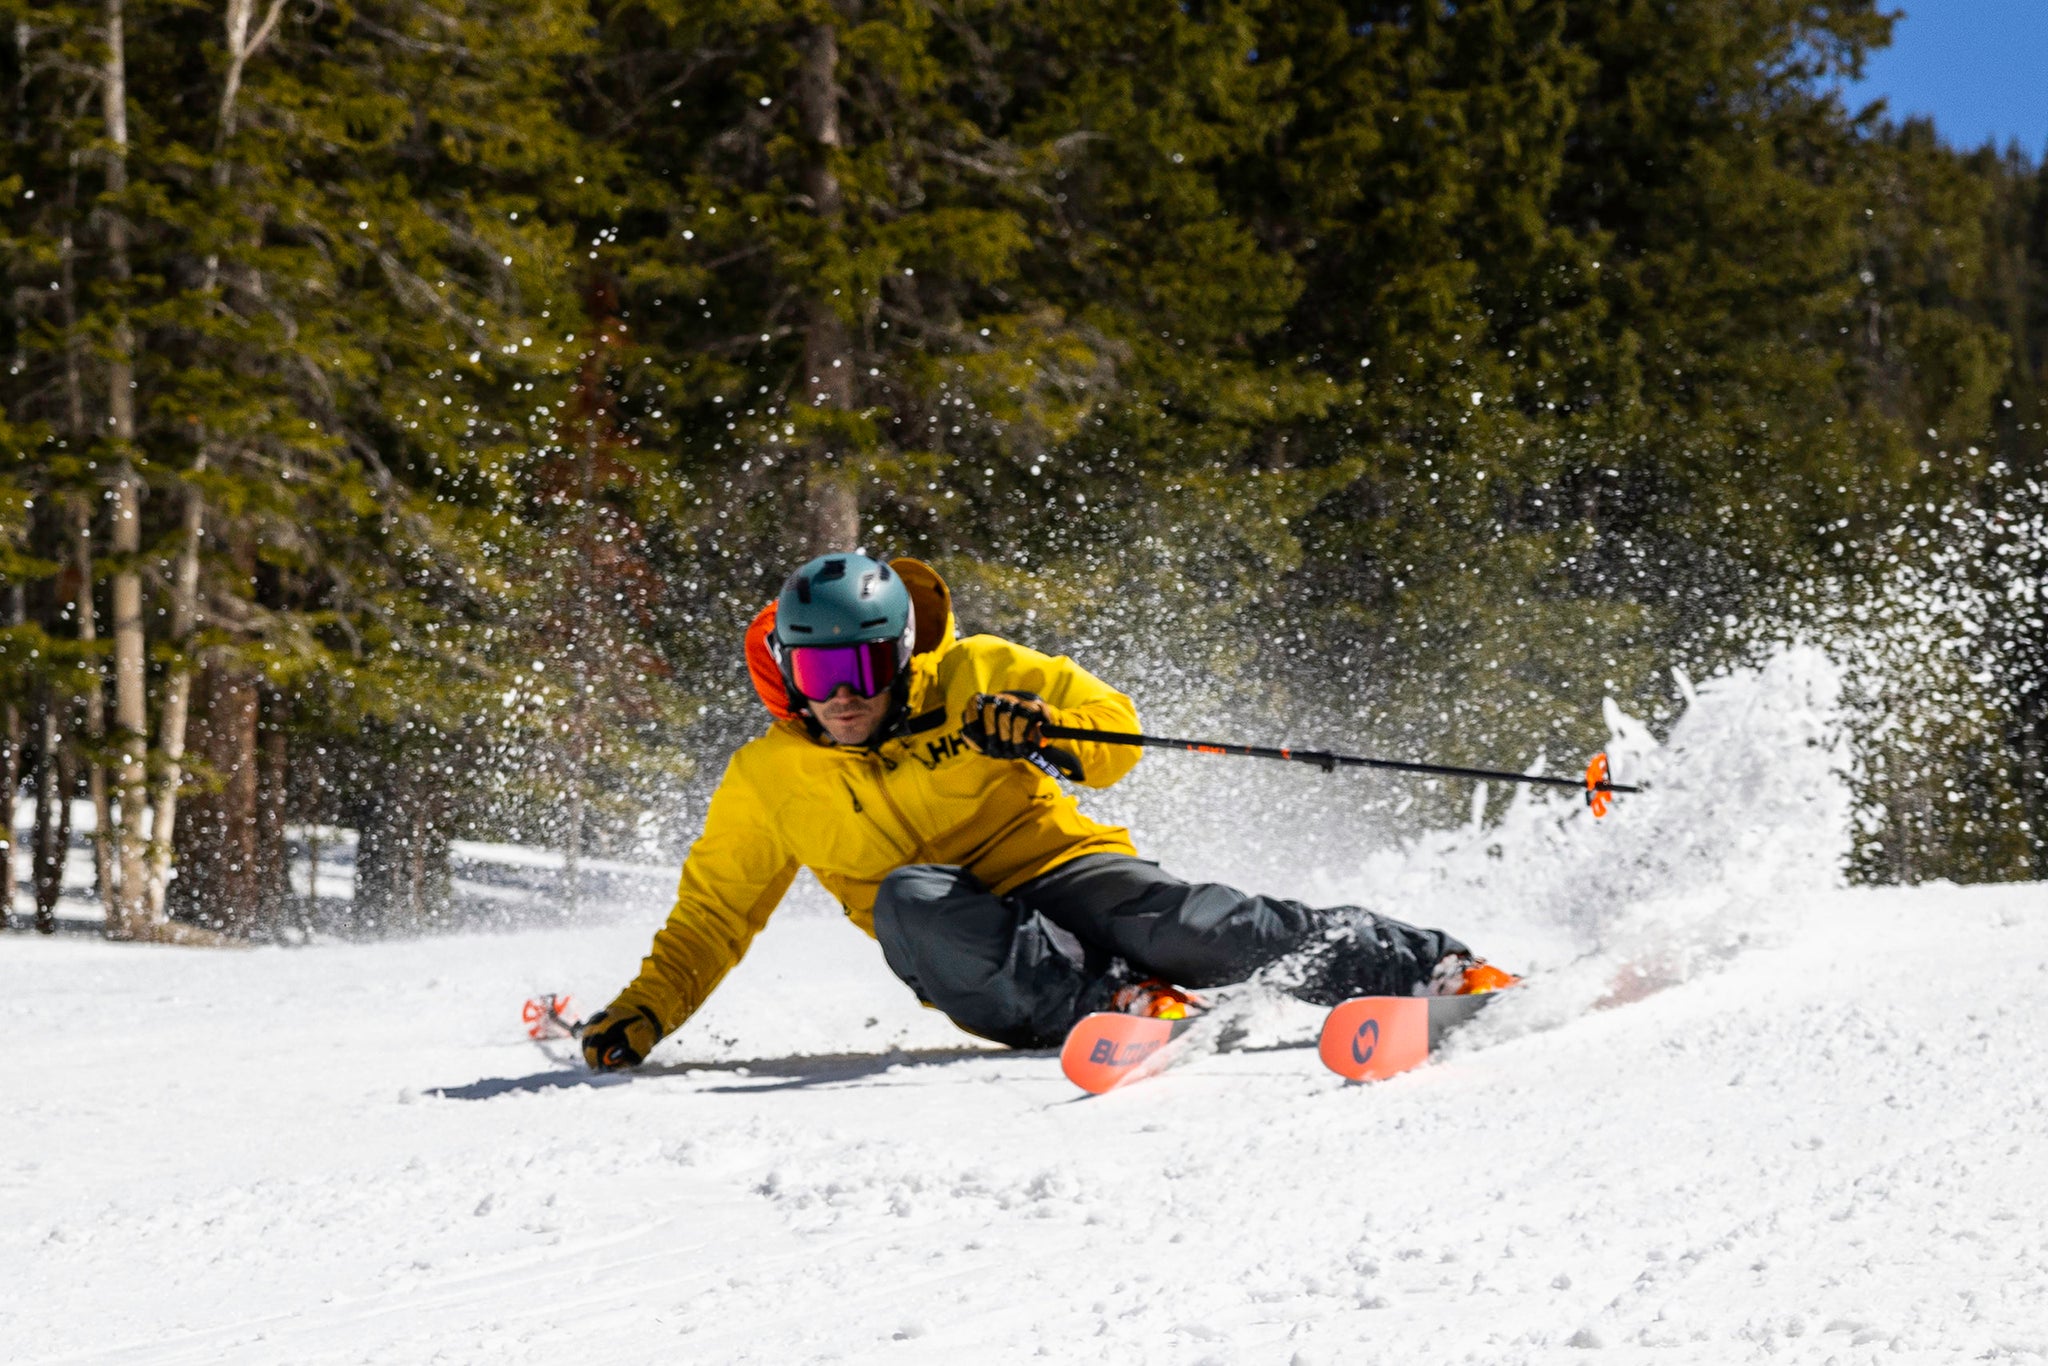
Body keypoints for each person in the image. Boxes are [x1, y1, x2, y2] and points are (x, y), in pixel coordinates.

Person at [581, 552, 1502, 1070]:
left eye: (864, 667)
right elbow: (712, 916)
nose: (844, 696)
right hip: (960, 936)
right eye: (819, 674)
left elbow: (1115, 736)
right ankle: (1113, 1005)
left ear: (902, 651)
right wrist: (646, 1014)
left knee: (1194, 928)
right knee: (909, 897)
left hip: (1060, 867)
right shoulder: (766, 778)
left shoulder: (977, 672)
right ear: (787, 669)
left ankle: (1423, 965)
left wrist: (1044, 731)